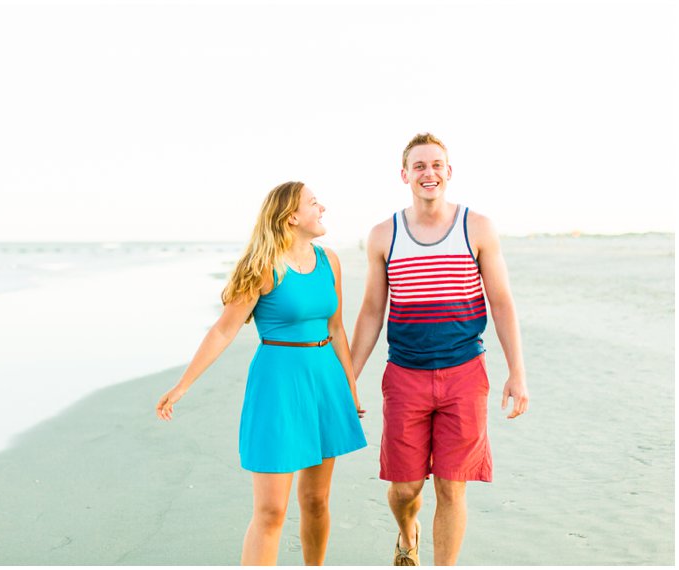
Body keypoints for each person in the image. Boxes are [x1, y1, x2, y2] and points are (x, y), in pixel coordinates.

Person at [156, 181, 367, 566]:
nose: (323, 208)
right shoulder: (263, 267)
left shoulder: (330, 261)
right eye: (314, 203)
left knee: (317, 501)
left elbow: (336, 329)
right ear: (292, 217)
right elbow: (224, 328)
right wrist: (182, 385)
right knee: (271, 510)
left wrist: (350, 389)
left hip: (325, 382)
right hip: (278, 387)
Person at [350, 133, 529, 566]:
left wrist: (517, 372)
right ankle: (407, 532)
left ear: (448, 172)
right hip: (405, 374)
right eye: (419, 166)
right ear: (405, 175)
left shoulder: (477, 227)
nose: (428, 173)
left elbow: (501, 302)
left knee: (452, 486)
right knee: (405, 488)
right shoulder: (383, 235)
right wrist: (348, 378)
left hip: (465, 373)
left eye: (436, 165)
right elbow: (373, 310)